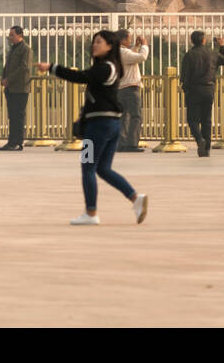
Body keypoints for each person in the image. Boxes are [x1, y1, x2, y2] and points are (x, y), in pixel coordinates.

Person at [39, 31, 149, 225]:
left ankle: (91, 213)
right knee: (103, 169)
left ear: (109, 46)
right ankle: (135, 198)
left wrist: (52, 68)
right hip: (110, 125)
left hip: (98, 127)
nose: (94, 45)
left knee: (87, 167)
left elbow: (80, 76)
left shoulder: (106, 67)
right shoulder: (110, 67)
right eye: (94, 42)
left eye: (99, 42)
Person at [180, 31, 224, 156]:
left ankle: (199, 140)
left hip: (193, 90)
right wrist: (222, 46)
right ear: (204, 41)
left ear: (192, 41)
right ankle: (206, 149)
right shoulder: (213, 54)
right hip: (209, 90)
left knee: (192, 120)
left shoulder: (189, 55)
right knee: (206, 120)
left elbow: (184, 76)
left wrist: (186, 90)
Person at [0, 26, 33, 151]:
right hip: (11, 88)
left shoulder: (25, 49)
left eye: (12, 35)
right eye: (10, 34)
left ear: (20, 36)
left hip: (20, 88)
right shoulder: (13, 49)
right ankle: (11, 141)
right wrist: (3, 78)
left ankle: (18, 142)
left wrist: (9, 79)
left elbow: (24, 68)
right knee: (12, 116)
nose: (10, 37)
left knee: (18, 116)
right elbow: (7, 66)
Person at [116, 30, 150, 152]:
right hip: (130, 88)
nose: (130, 41)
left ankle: (122, 143)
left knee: (124, 117)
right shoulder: (122, 52)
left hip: (121, 88)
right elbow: (142, 57)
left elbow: (130, 55)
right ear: (122, 40)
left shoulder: (118, 52)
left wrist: (136, 46)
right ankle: (132, 144)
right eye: (129, 38)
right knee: (136, 116)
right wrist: (145, 45)